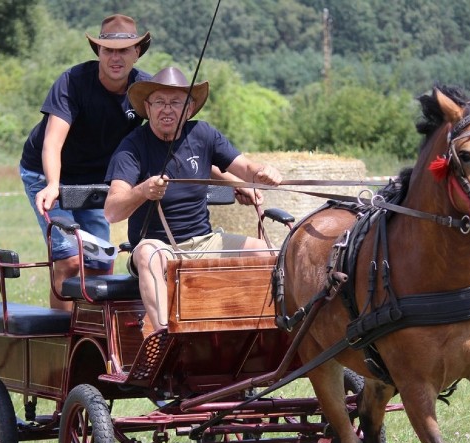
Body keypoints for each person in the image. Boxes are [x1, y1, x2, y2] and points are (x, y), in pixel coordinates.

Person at [104, 66, 283, 332]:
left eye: (176, 102)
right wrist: (143, 191)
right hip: (156, 245)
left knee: (270, 253)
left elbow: (245, 168)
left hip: (205, 241)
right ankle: (164, 336)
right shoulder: (132, 147)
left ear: (188, 109)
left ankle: (267, 330)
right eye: (160, 102)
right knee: (149, 255)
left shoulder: (203, 134)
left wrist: (262, 172)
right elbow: (112, 211)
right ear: (147, 107)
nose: (167, 109)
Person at [21, 14, 152, 310]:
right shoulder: (74, 81)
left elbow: (168, 138)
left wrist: (228, 179)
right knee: (69, 260)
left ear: (137, 52)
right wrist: (53, 184)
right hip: (47, 174)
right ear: (98, 52)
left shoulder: (145, 90)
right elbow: (52, 142)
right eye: (108, 50)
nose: (115, 58)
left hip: (95, 180)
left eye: (123, 50)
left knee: (100, 261)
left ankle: (92, 339)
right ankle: (60, 339)